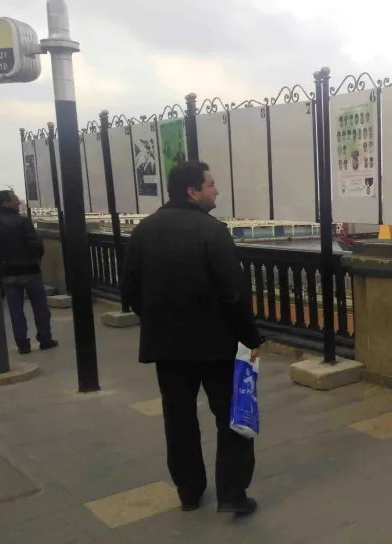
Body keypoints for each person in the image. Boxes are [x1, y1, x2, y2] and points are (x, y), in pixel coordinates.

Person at [120, 161, 262, 516]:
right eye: (211, 184)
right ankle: (232, 494)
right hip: (216, 344)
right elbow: (234, 292)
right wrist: (250, 337)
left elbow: (130, 289)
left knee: (178, 418)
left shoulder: (144, 231)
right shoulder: (212, 231)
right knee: (231, 417)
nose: (217, 190)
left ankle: (189, 491)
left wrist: (157, 320)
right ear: (192, 191)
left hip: (167, 346)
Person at [0, 190, 57, 354]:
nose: (19, 202)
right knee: (40, 306)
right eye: (15, 199)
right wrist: (36, 259)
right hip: (30, 270)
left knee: (15, 310)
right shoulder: (22, 221)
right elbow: (35, 244)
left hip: (7, 272)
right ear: (6, 203)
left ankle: (22, 344)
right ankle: (45, 338)